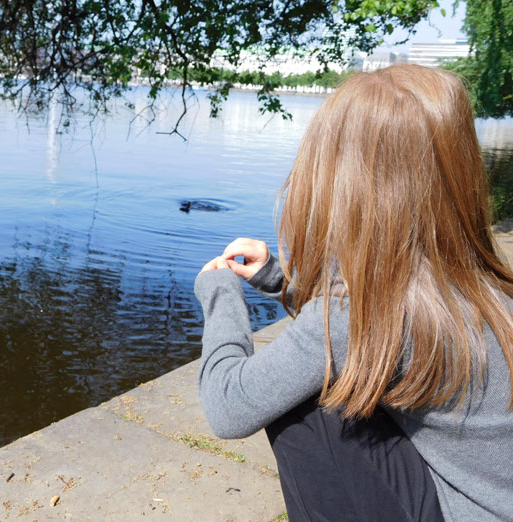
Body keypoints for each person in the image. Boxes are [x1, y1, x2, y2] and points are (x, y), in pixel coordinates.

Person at [194, 64, 513, 522]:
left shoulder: (356, 314)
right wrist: (278, 279)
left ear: (344, 179)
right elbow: (364, 305)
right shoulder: (476, 280)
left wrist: (219, 291)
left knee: (306, 401)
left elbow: (229, 405)